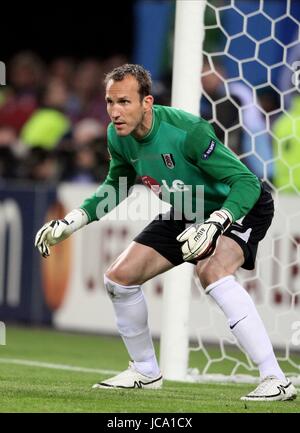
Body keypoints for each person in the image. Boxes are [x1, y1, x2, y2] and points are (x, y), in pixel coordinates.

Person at [35, 64, 297, 401]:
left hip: (240, 205)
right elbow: (116, 186)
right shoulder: (118, 136)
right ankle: (145, 371)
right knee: (119, 278)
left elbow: (245, 182)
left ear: (147, 102)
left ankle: (275, 378)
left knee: (211, 270)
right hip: (187, 208)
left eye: (124, 102)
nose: (115, 112)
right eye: (110, 102)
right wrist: (73, 221)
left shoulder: (188, 131)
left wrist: (217, 222)